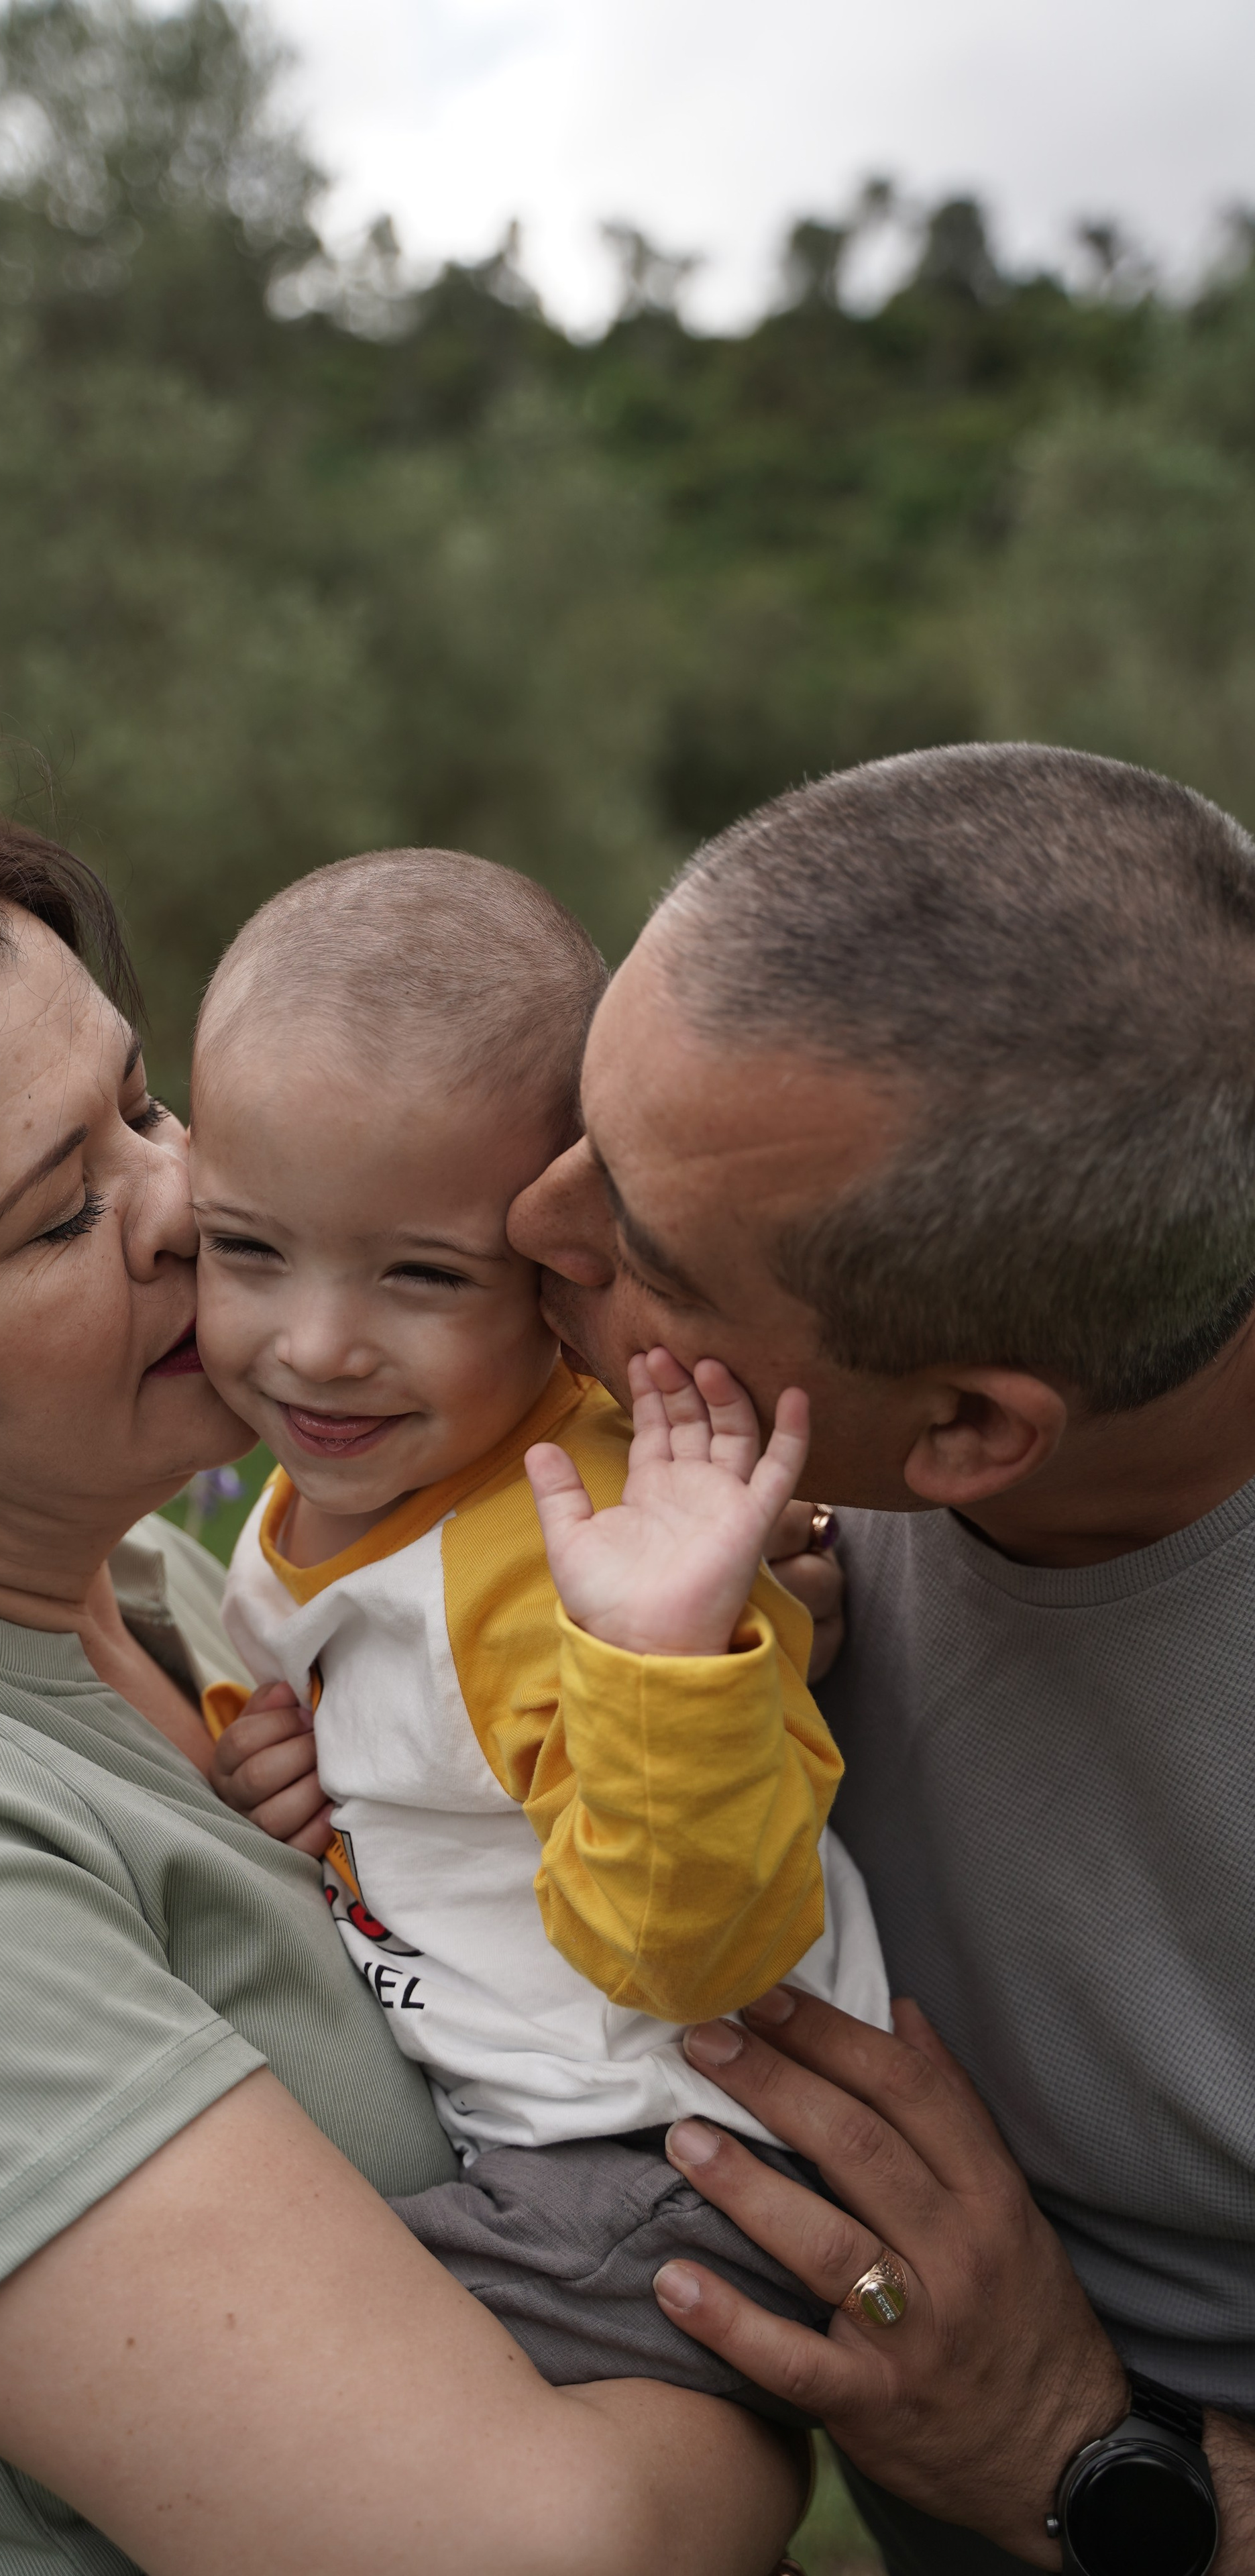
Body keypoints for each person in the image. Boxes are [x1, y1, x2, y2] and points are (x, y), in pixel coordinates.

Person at [0, 788, 806, 2576]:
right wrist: (836, 2348)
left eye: (142, 1105)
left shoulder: (148, 1580)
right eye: (66, 1214)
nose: (194, 1205)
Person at [506, 743, 1255, 2575]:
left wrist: (1079, 2467)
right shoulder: (764, 1440)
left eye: (644, 1250)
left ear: (965, 1435)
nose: (531, 1225)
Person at [190, 848, 888, 2411]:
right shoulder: (362, 1485)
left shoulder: (572, 1557)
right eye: (246, 1249)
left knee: (304, 2408)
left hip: (662, 2148)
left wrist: (660, 1664)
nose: (313, 1348)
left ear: (555, 1280)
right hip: (534, 2120)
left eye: (420, 1276)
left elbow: (692, 1945)